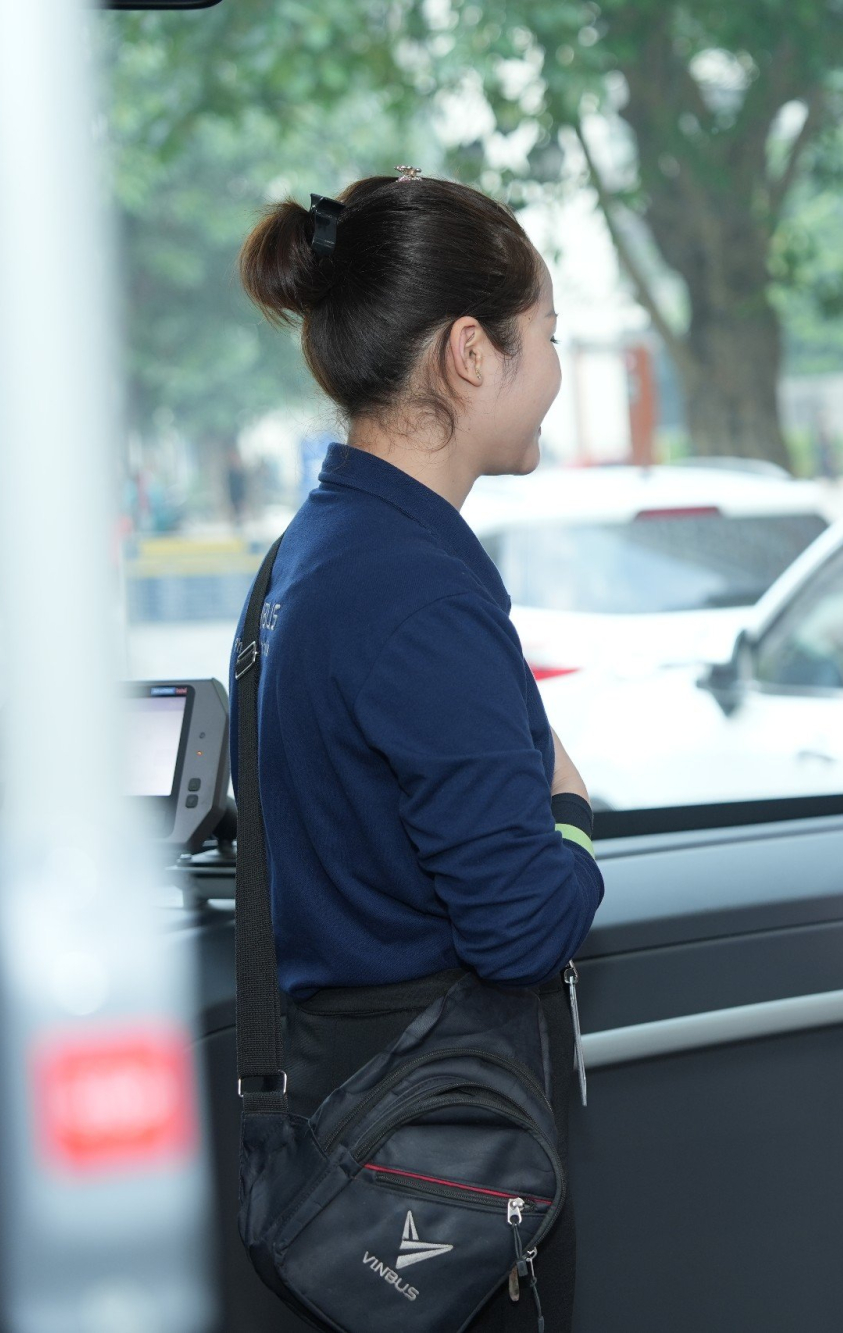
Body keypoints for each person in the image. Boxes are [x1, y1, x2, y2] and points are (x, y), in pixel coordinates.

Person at [235, 172, 603, 1331]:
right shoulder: (415, 589)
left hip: (350, 1116)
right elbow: (521, 923)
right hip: (449, 1138)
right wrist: (577, 814)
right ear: (466, 353)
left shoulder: (314, 549)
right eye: (545, 338)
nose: (552, 370)